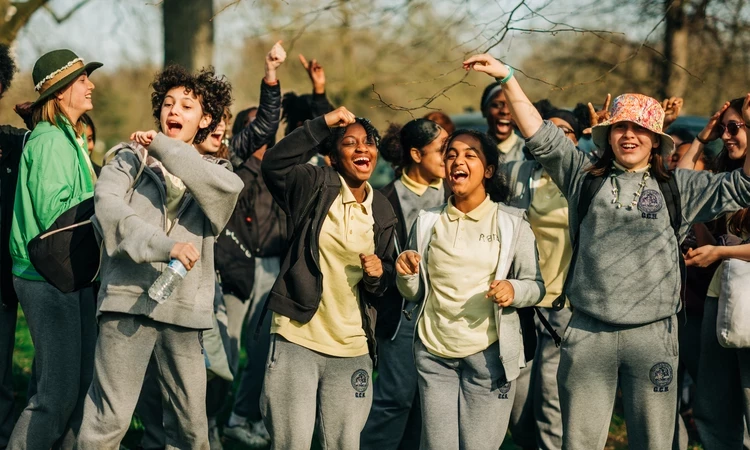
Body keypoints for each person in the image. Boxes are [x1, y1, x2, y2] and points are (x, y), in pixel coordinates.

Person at [462, 52, 750, 449]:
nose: (629, 135)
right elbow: (538, 134)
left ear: (655, 140)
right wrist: (508, 77)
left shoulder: (679, 187)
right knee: (578, 442)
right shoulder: (583, 178)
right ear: (608, 134)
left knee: (655, 442)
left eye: (639, 129)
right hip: (587, 333)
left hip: (654, 336)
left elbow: (743, 186)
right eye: (620, 127)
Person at [76, 65, 243, 449]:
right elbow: (108, 209)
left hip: (183, 313)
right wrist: (165, 246)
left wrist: (164, 147)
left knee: (191, 431)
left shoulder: (217, 173)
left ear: (206, 120)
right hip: (126, 301)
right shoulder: (127, 158)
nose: (174, 110)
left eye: (187, 105)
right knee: (108, 420)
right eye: (168, 102)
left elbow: (225, 196)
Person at [395, 128, 544, 450]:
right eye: (450, 155)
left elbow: (536, 286)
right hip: (435, 355)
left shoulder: (512, 222)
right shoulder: (427, 222)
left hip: (489, 357)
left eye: (469, 155)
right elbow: (414, 293)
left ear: (488, 170)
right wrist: (405, 274)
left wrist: (513, 290)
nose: (457, 161)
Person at [259, 107, 396, 450]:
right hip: (298, 337)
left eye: (368, 143)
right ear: (333, 157)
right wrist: (322, 124)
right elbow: (274, 164)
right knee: (292, 443)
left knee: (344, 444)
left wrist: (378, 274)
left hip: (352, 346)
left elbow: (384, 282)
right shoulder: (314, 184)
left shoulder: (381, 209)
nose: (363, 149)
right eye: (350, 144)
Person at [7, 48, 101, 450]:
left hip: (70, 272)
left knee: (78, 385)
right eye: (82, 80)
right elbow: (54, 213)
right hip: (47, 276)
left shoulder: (69, 137)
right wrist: (110, 203)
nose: (91, 85)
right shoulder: (48, 141)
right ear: (60, 93)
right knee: (54, 397)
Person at [212, 41, 285, 449]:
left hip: (272, 267)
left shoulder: (281, 170)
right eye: (257, 128)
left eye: (269, 128)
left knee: (262, 354)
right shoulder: (232, 170)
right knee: (226, 350)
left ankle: (243, 417)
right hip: (235, 268)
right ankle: (209, 421)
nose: (267, 134)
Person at [360, 118, 448, 450]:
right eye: (442, 149)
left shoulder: (455, 193)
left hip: (448, 317)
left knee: (430, 408)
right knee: (395, 399)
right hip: (403, 319)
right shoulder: (382, 201)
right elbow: (374, 259)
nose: (449, 156)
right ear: (415, 153)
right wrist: (386, 269)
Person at [504, 107, 580, 450]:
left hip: (565, 308)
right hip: (522, 303)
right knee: (517, 406)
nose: (556, 137)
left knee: (552, 401)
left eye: (566, 131)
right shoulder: (517, 175)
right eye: (549, 129)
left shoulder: (584, 179)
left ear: (577, 141)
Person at [677, 97, 750, 449]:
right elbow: (681, 186)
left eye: (735, 127)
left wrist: (721, 252)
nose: (727, 135)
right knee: (712, 405)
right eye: (724, 128)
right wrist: (702, 140)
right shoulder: (724, 175)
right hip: (718, 301)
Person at [0, 44, 32, 450]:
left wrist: (35, 119)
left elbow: (65, 151)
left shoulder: (14, 143)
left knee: (1, 381)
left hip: (2, 284)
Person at [481, 81, 525, 163]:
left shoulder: (527, 154)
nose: (505, 111)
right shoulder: (474, 149)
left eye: (512, 105)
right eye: (497, 105)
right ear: (484, 110)